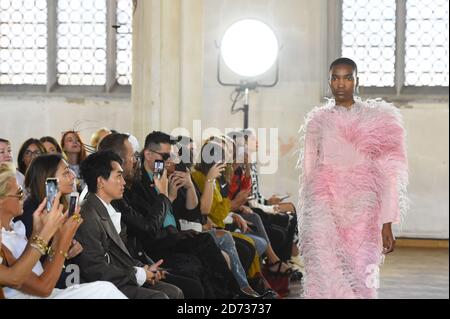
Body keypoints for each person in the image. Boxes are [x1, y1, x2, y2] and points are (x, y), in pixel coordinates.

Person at [298, 57, 408, 299]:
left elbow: (389, 173)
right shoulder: (318, 121)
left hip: (363, 205)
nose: (341, 83)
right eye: (335, 78)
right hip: (325, 204)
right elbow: (309, 170)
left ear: (357, 81)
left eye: (347, 77)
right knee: (325, 269)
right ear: (329, 81)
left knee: (361, 267)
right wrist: (309, 212)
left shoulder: (376, 121)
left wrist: (387, 221)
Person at [98, 133, 205, 299]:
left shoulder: (128, 186)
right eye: (133, 156)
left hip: (141, 258)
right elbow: (147, 229)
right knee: (190, 285)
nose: (136, 160)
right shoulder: (128, 189)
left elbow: (193, 213)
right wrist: (163, 196)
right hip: (140, 258)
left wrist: (187, 188)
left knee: (201, 259)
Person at [0, 162, 126, 299]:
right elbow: (41, 286)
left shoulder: (16, 228)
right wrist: (61, 240)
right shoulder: (7, 238)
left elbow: (36, 273)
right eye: (19, 192)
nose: (24, 196)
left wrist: (46, 236)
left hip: (47, 292)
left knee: (106, 288)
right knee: (105, 291)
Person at [74, 151, 184, 299]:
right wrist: (139, 274)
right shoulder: (87, 215)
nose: (124, 182)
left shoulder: (108, 207)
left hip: (122, 276)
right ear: (100, 181)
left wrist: (145, 269)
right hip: (105, 285)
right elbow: (95, 269)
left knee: (175, 292)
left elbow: (122, 255)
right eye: (118, 176)